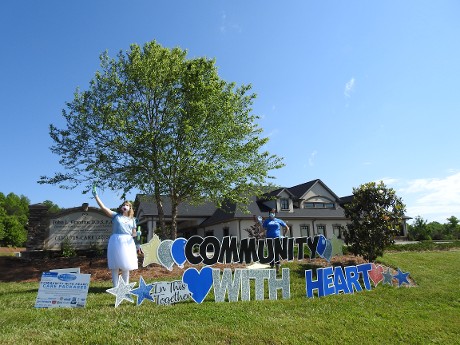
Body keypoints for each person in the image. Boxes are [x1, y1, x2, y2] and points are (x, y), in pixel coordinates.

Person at [92, 185, 138, 287]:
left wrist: (137, 234)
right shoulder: (115, 216)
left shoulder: (133, 220)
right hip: (116, 240)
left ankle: (126, 286)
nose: (125, 206)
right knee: (115, 265)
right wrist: (96, 197)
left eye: (127, 205)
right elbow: (104, 208)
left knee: (126, 265)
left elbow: (133, 233)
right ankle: (115, 286)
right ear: (122, 207)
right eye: (124, 205)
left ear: (130, 208)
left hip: (127, 242)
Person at [262, 208, 289, 272]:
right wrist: (262, 234)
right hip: (269, 239)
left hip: (277, 239)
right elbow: (263, 229)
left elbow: (287, 227)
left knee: (277, 252)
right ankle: (271, 265)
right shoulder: (266, 221)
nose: (272, 214)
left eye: (273, 213)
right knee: (271, 252)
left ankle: (277, 267)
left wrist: (284, 234)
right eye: (271, 212)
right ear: (269, 214)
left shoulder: (279, 220)